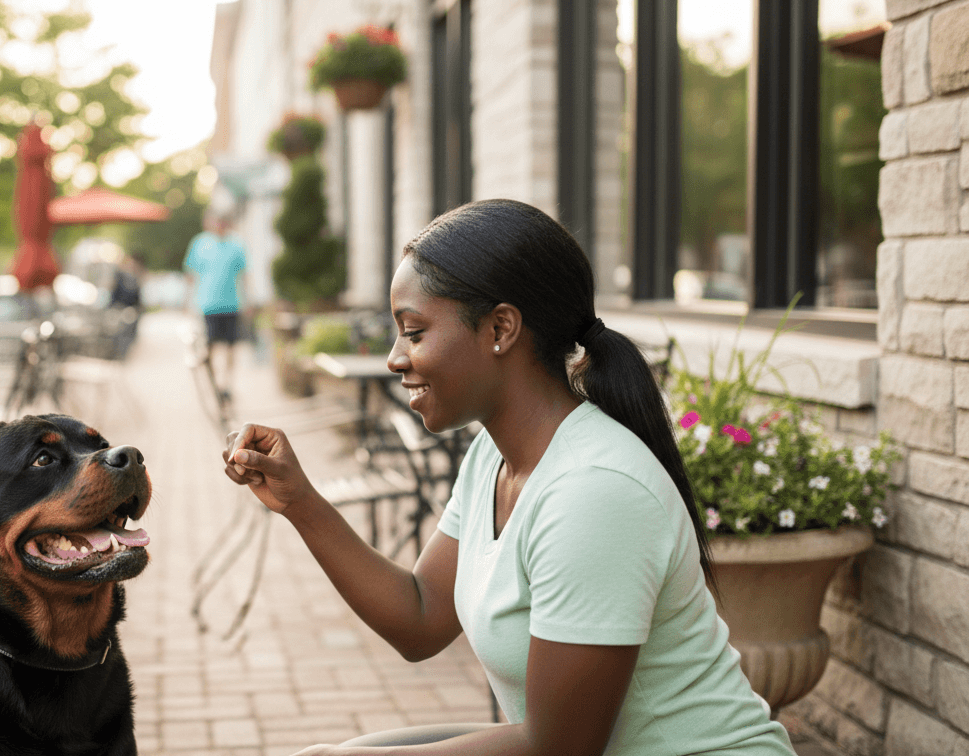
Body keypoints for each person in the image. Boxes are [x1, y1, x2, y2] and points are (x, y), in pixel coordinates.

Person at [221, 199, 796, 755]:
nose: (395, 357)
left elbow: (559, 746)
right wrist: (300, 502)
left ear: (501, 328)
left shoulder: (594, 492)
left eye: (414, 332)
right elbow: (420, 618)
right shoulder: (491, 458)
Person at [184, 210, 248, 404]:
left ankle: (226, 385)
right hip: (208, 305)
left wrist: (248, 301)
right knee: (209, 349)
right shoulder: (200, 244)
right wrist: (188, 303)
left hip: (231, 304)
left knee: (230, 348)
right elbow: (191, 274)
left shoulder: (237, 245)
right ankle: (213, 385)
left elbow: (244, 276)